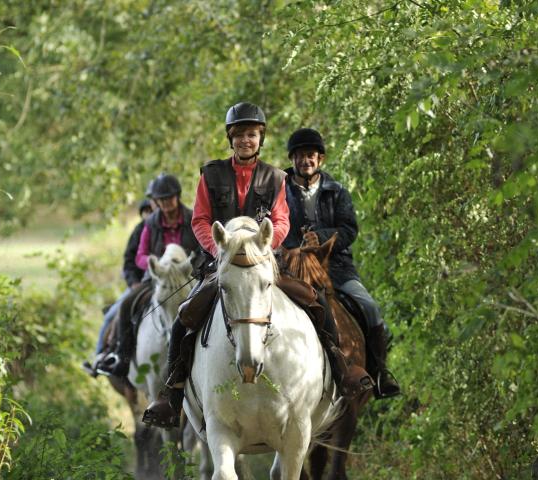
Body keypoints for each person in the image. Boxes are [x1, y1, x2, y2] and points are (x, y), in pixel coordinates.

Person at [143, 102, 373, 429]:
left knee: (317, 301)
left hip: (264, 262)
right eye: (239, 135)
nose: (245, 141)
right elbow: (201, 220)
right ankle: (172, 394)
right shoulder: (210, 174)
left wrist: (266, 246)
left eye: (251, 135)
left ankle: (340, 372)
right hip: (223, 263)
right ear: (231, 139)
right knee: (184, 317)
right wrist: (218, 248)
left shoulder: (276, 177)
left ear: (260, 138)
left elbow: (281, 220)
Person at [282, 128, 400, 399]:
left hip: (335, 267)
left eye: (310, 155)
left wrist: (321, 237)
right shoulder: (279, 192)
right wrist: (295, 245)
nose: (305, 161)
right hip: (293, 267)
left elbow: (349, 229)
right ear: (293, 159)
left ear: (320, 159)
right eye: (300, 156)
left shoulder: (337, 191)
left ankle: (380, 372)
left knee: (370, 308)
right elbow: (274, 226)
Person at [97, 173, 199, 377]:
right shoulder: (150, 223)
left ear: (177, 197)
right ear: (156, 201)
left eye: (169, 198)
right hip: (157, 278)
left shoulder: (192, 218)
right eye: (161, 200)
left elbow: (200, 248)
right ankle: (122, 358)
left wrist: (189, 265)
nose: (166, 203)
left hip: (187, 276)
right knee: (126, 305)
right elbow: (140, 255)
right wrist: (157, 265)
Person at [82, 194, 153, 377]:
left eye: (151, 211)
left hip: (168, 283)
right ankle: (100, 356)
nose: (149, 215)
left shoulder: (169, 226)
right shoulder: (139, 231)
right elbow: (129, 262)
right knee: (114, 313)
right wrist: (134, 283)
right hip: (139, 285)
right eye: (146, 212)